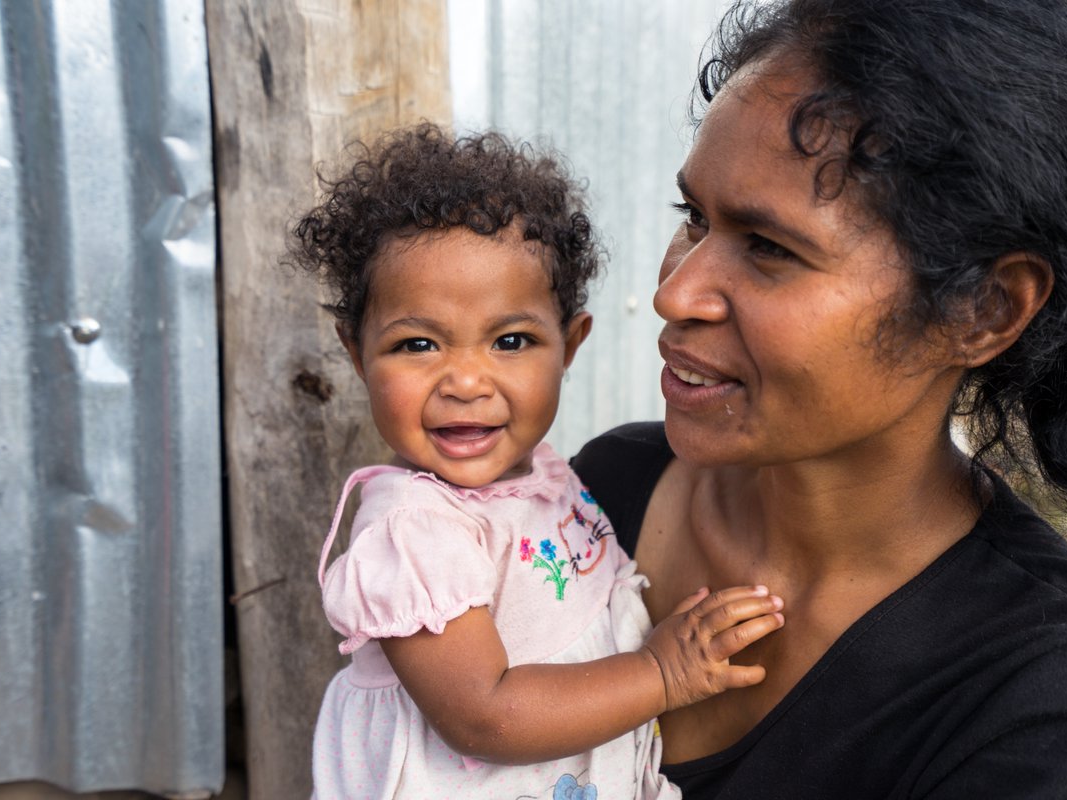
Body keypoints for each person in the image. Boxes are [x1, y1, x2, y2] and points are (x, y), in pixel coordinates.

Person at [571, 0, 1067, 797]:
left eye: (768, 248)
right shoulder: (607, 494)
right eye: (693, 217)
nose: (676, 292)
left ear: (984, 311)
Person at [290, 123, 786, 800]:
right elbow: (485, 716)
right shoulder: (414, 533)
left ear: (571, 345)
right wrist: (663, 673)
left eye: (512, 340)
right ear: (356, 354)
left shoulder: (546, 475)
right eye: (417, 346)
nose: (466, 381)